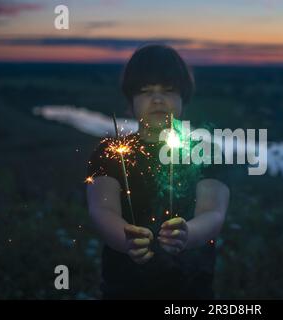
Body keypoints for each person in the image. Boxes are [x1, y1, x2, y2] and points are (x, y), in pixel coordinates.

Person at [86, 44, 230, 299]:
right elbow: (102, 209)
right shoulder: (110, 152)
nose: (157, 99)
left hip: (191, 290)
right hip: (123, 289)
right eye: (145, 91)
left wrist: (188, 234)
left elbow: (213, 212)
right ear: (130, 102)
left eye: (168, 90)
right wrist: (126, 239)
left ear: (184, 97)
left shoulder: (205, 151)